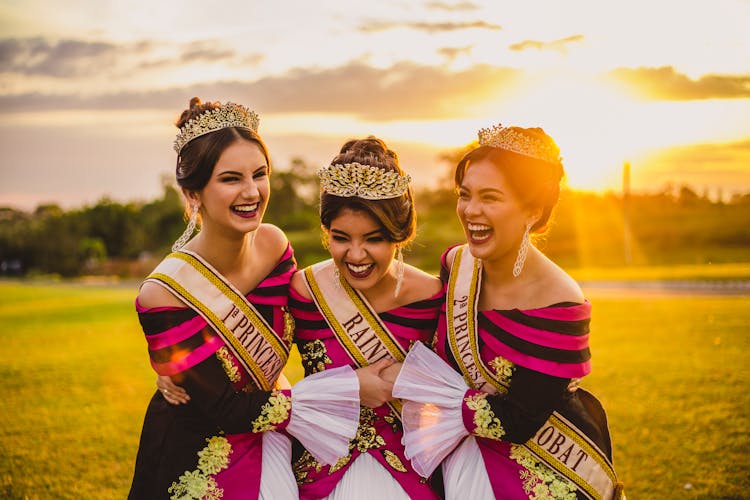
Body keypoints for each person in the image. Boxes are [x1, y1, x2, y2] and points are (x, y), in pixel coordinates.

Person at [129, 98, 360, 500]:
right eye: (231, 178)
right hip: (198, 450)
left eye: (260, 174)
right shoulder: (163, 291)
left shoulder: (274, 243)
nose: (252, 191)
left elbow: (309, 327)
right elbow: (221, 408)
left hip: (275, 436)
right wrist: (334, 395)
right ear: (193, 192)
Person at [392, 124, 625, 499]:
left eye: (490, 197)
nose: (471, 210)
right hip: (457, 449)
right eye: (464, 194)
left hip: (537, 464)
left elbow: (519, 422)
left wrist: (418, 389)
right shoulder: (456, 265)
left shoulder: (559, 298)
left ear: (532, 210)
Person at [288, 136, 444, 499]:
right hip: (321, 468)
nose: (356, 255)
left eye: (373, 239)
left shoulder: (432, 296)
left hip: (411, 471)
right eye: (341, 238)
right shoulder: (302, 291)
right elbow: (261, 377)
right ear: (326, 232)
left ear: (399, 235)